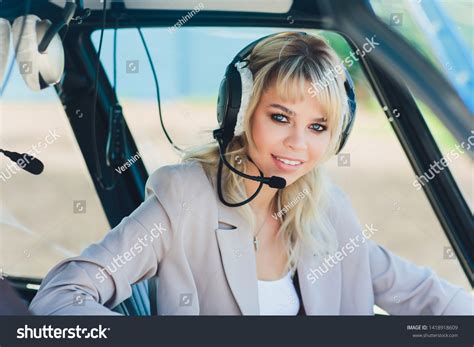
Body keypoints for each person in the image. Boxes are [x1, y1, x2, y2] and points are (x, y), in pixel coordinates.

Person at [29, 32, 473, 316]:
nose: (299, 143)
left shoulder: (327, 210)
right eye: (280, 117)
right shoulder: (185, 200)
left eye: (318, 127)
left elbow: (426, 297)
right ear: (238, 113)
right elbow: (62, 296)